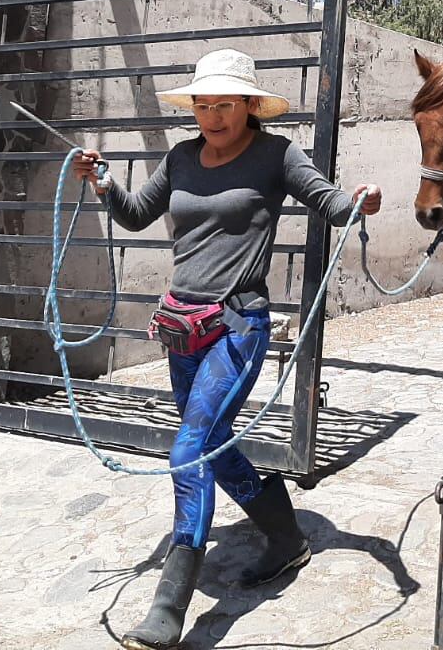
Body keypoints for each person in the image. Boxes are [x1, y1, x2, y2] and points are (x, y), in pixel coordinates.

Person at [70, 47, 382, 650]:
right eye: (202, 104)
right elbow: (136, 215)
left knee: (188, 446)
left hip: (238, 326)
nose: (211, 116)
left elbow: (331, 203)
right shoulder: (182, 157)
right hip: (182, 327)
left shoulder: (276, 155)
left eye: (224, 104)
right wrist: (104, 182)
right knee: (211, 444)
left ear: (249, 105)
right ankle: (287, 539)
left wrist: (358, 203)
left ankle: (169, 607)